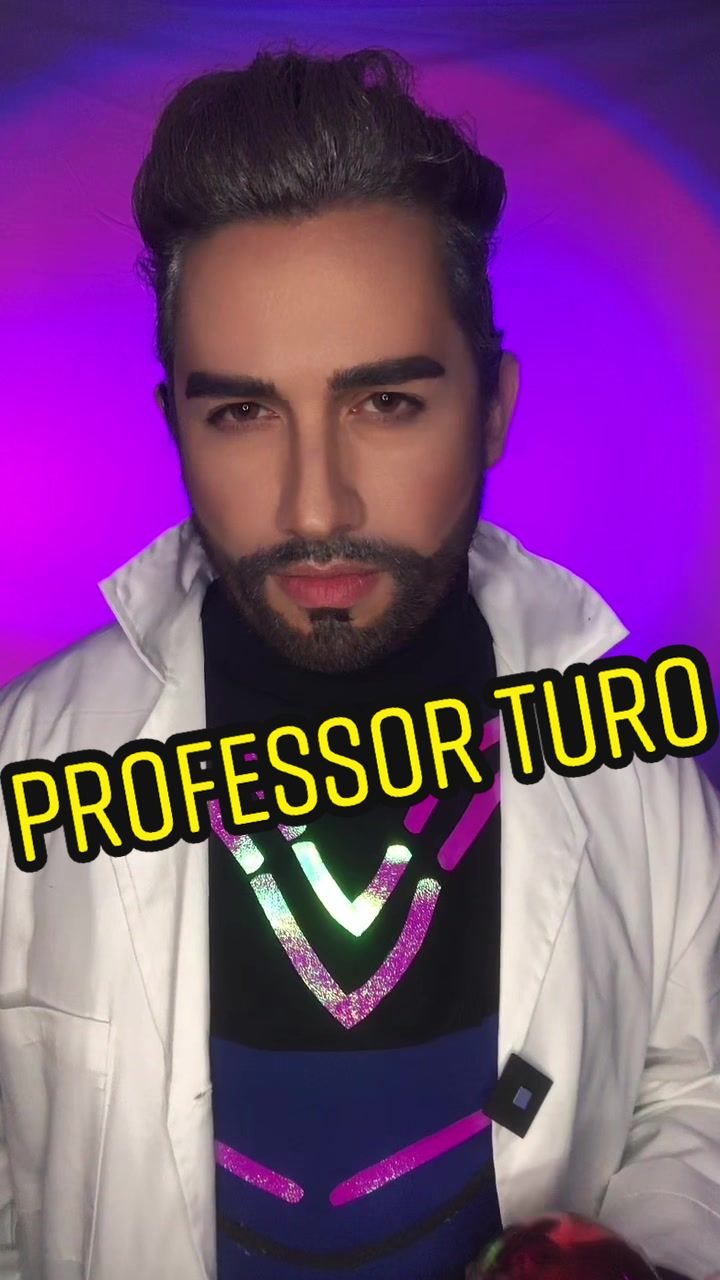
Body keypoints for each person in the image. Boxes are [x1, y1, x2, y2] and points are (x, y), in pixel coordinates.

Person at [0, 44, 718, 1280]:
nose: (314, 504)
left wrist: (638, 1250)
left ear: (493, 407)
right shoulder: (34, 761)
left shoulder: (633, 761)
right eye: (243, 412)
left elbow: (693, 1081)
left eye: (387, 403)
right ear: (176, 425)